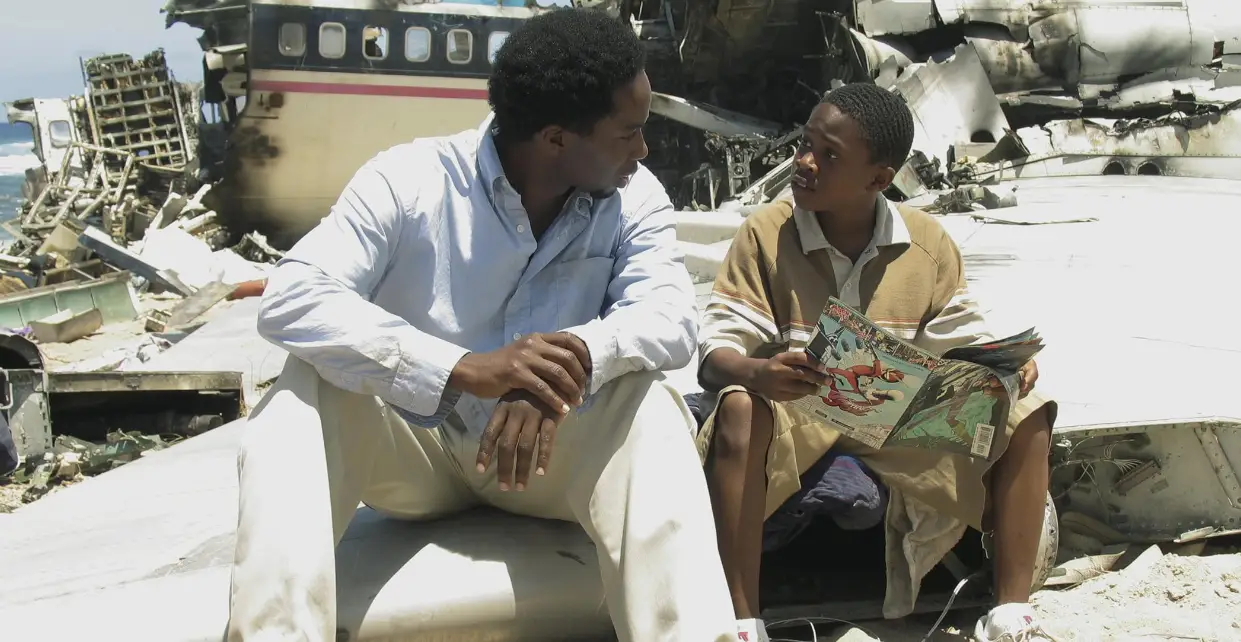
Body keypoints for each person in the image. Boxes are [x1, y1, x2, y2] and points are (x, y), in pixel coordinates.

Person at [226, 10, 737, 642]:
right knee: (301, 394)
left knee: (650, 404)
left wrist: (568, 361)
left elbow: (668, 318)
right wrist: (464, 369)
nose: (644, 149)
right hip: (417, 454)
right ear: (555, 138)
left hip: (548, 457)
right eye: (628, 132)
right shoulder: (409, 181)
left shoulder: (636, 196)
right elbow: (291, 296)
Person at [695, 82, 1059, 642]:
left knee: (1026, 410)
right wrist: (755, 372)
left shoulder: (928, 244)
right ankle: (742, 620)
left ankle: (1011, 610)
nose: (805, 162)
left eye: (829, 154)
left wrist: (1005, 370)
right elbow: (717, 351)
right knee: (741, 407)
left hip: (891, 417)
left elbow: (962, 345)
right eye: (805, 144)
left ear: (878, 179)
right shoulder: (767, 233)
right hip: (795, 412)